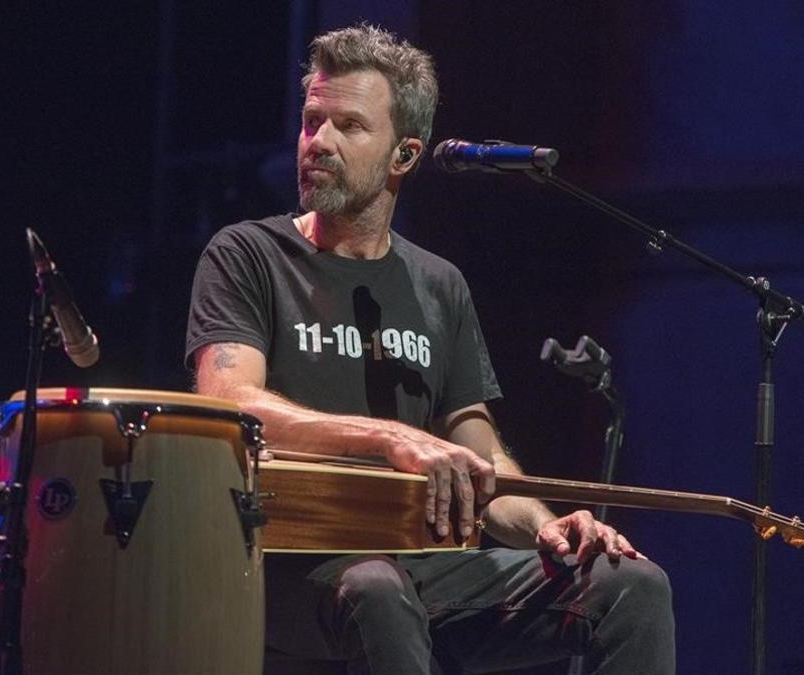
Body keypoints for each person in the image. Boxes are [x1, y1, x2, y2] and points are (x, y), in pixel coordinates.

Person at [185, 23, 674, 674]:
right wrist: (389, 438)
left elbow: (480, 454)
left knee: (632, 587)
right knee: (377, 589)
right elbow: (228, 403)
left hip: (426, 565)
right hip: (290, 566)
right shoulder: (247, 254)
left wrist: (545, 525)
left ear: (404, 156)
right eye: (311, 121)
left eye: (348, 127)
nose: (318, 142)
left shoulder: (438, 285)